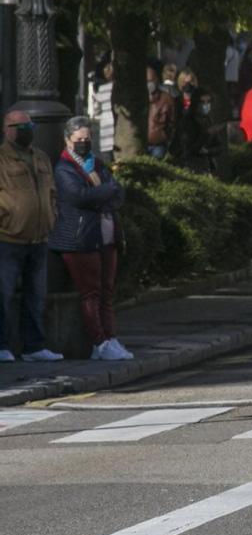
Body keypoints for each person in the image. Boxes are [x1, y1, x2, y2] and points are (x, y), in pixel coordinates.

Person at [51, 116, 130, 361]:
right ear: (68, 140)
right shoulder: (64, 168)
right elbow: (79, 196)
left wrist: (101, 193)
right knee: (91, 293)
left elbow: (118, 194)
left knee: (107, 292)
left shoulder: (97, 164)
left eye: (87, 138)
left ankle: (111, 338)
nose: (84, 143)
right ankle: (99, 342)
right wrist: (105, 191)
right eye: (79, 139)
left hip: (106, 236)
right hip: (80, 239)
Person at [0, 110, 61, 362]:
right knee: (3, 295)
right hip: (7, 238)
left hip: (39, 238)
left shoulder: (41, 157)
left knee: (36, 296)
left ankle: (33, 347)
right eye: (21, 126)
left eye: (30, 125)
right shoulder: (2, 159)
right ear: (7, 129)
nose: (27, 130)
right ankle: (2, 345)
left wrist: (52, 215)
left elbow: (51, 192)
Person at [146, 64, 179, 160]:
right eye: (146, 81)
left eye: (151, 81)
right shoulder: (139, 100)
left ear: (157, 80)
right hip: (141, 144)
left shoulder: (167, 99)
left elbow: (172, 122)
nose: (149, 84)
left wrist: (166, 137)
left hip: (159, 145)